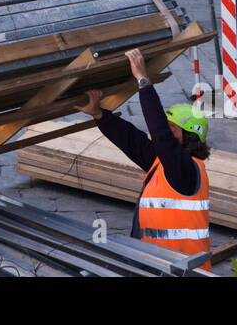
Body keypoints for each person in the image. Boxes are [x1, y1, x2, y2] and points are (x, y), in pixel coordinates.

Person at [74, 47, 212, 270]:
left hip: (182, 270)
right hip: (161, 264)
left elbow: (159, 133)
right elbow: (132, 141)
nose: (165, 133)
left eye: (172, 129)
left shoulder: (185, 169)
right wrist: (99, 114)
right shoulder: (165, 164)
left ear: (188, 136)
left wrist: (143, 81)